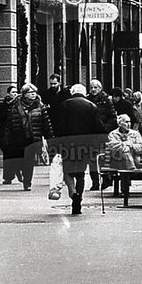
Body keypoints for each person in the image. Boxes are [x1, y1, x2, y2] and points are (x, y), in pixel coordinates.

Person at [54, 84, 104, 216]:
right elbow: (98, 127)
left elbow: (59, 126)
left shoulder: (65, 105)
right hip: (85, 146)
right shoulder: (92, 106)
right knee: (81, 174)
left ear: (72, 92)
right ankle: (78, 200)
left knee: (68, 171)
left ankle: (72, 191)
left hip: (68, 144)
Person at [7, 83, 54, 191]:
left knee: (29, 161)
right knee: (19, 160)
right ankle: (22, 175)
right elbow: (9, 123)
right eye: (30, 92)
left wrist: (50, 137)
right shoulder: (15, 105)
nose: (33, 95)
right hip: (18, 137)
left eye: (34, 92)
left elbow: (46, 122)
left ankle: (27, 182)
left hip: (33, 138)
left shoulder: (40, 106)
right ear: (24, 94)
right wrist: (7, 138)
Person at [105, 113, 142, 200]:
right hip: (117, 160)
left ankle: (125, 190)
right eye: (126, 122)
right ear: (120, 123)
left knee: (126, 153)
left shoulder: (135, 134)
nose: (129, 124)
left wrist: (130, 146)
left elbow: (141, 147)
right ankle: (130, 168)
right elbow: (113, 147)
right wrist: (125, 146)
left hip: (135, 160)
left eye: (129, 122)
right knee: (124, 153)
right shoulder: (113, 134)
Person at [87, 79, 117, 190]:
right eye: (91, 87)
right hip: (90, 134)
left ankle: (106, 179)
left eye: (95, 87)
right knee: (91, 159)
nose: (93, 90)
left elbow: (113, 117)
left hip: (102, 134)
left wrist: (106, 128)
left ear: (100, 88)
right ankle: (95, 182)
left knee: (103, 157)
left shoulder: (106, 100)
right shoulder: (87, 99)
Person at [0, 85, 20, 184]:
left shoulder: (19, 105)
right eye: (13, 92)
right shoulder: (2, 105)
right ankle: (8, 177)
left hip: (16, 133)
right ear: (8, 93)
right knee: (7, 155)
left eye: (16, 92)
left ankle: (18, 172)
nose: (15, 94)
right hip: (5, 133)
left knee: (17, 154)